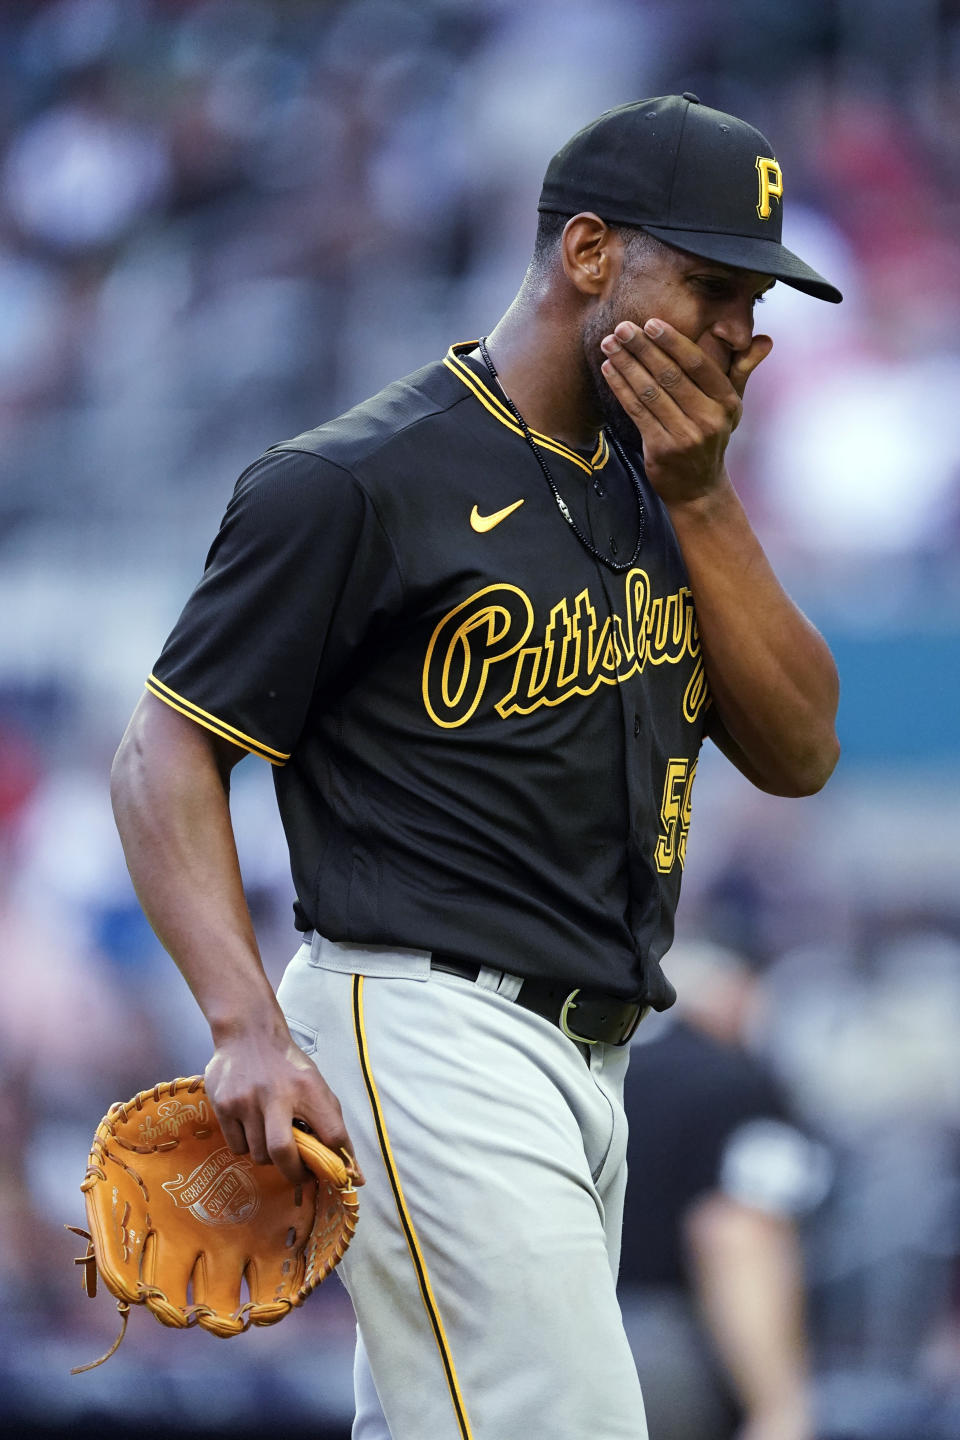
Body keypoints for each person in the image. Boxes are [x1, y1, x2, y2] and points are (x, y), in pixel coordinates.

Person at [111, 94, 841, 1440]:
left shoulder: (665, 480)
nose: (747, 328)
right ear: (585, 254)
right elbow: (163, 747)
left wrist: (703, 499)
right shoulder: (359, 480)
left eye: (760, 295)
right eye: (714, 285)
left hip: (596, 1053)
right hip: (428, 1026)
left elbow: (801, 749)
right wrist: (241, 1025)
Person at [618, 942, 832, 1440]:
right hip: (669, 1356)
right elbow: (737, 1233)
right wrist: (779, 1406)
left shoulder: (606, 1069)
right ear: (737, 993)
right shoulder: (736, 1085)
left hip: (566, 1335)